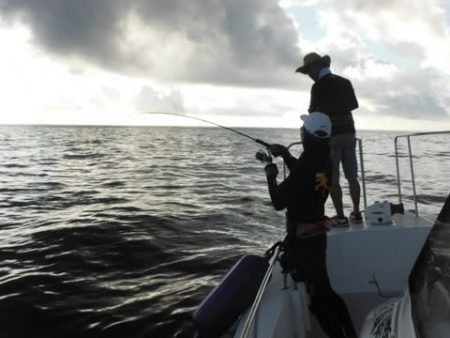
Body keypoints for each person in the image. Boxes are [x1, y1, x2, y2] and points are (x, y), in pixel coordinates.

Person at [264, 112, 357, 338]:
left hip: (303, 239)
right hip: (317, 233)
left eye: (303, 129)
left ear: (308, 135)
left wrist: (270, 175)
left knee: (318, 297)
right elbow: (306, 174)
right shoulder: (325, 157)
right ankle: (351, 333)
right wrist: (286, 155)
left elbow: (278, 202)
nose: (301, 131)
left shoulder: (307, 163)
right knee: (325, 288)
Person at [296, 52, 362, 226]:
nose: (309, 75)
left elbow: (312, 112)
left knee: (333, 178)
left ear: (317, 67)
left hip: (332, 136)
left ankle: (340, 217)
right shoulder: (345, 81)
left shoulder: (317, 87)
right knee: (352, 177)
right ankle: (356, 213)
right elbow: (353, 105)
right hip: (349, 132)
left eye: (309, 70)